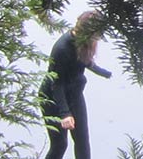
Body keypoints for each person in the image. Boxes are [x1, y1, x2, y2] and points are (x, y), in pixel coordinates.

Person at [40, 11, 112, 159]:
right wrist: (65, 114)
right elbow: (57, 84)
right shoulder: (62, 48)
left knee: (82, 141)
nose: (98, 37)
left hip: (74, 93)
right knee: (60, 144)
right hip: (53, 98)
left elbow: (83, 59)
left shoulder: (82, 42)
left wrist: (103, 72)